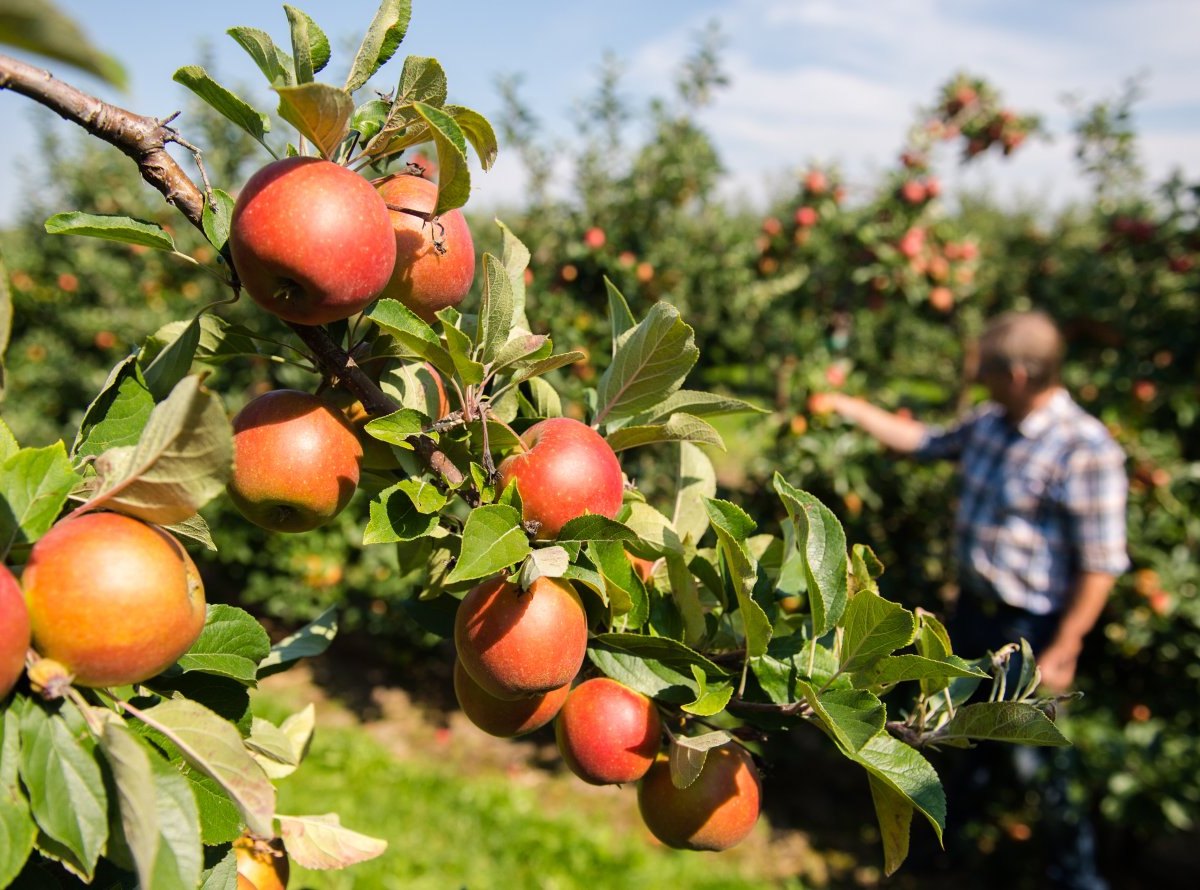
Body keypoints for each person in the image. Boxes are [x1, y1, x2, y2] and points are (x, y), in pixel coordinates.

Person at [811, 310, 1129, 889]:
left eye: (984, 369)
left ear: (1018, 373)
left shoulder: (1084, 448)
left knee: (1042, 756)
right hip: (973, 616)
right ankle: (945, 851)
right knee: (960, 734)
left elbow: (1101, 564)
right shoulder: (990, 423)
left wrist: (1066, 644)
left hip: (1031, 630)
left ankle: (1077, 878)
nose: (976, 378)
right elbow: (927, 442)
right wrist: (852, 408)